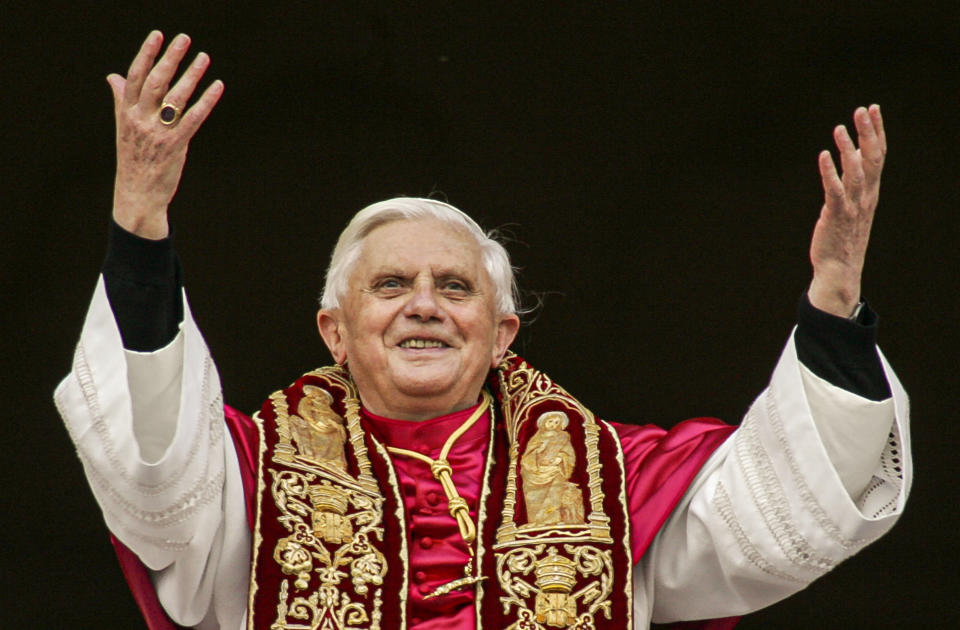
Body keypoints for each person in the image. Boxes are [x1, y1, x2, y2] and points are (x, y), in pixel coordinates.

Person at [54, 31, 910, 630]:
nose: (423, 303)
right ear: (335, 332)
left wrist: (833, 297)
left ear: (503, 335)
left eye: (453, 286)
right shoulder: (244, 475)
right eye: (390, 285)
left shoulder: (618, 482)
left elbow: (780, 511)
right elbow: (156, 470)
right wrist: (139, 226)